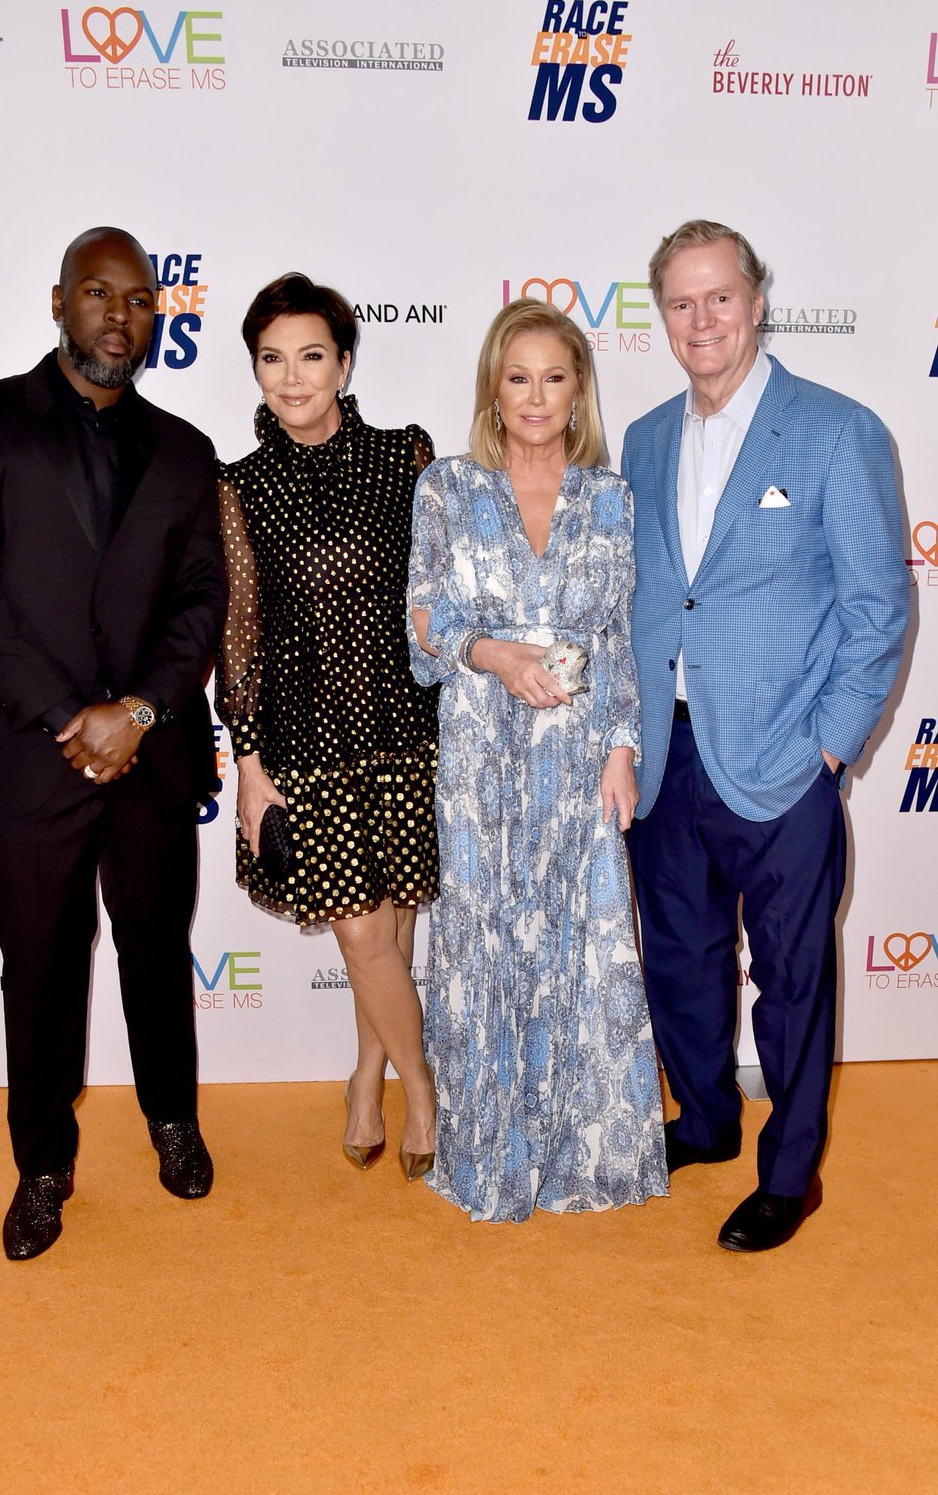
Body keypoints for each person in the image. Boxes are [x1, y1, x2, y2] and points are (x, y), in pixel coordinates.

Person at [0, 227, 227, 1260]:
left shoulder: (184, 451)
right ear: (59, 301)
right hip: (30, 751)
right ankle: (41, 1163)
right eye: (99, 293)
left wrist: (134, 711)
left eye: (139, 299)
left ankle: (171, 1118)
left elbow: (199, 604)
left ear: (156, 314)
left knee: (153, 949)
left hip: (150, 754)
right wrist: (68, 714)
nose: (119, 315)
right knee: (40, 965)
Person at [622, 219, 909, 1252]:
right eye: (681, 303)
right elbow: (657, 600)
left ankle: (790, 1173)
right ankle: (701, 1119)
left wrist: (830, 746)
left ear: (757, 301)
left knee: (791, 980)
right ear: (664, 318)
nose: (701, 321)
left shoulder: (836, 430)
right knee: (681, 962)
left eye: (720, 298)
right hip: (668, 754)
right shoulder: (646, 437)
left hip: (786, 757)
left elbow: (879, 608)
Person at [407, 298, 668, 1222]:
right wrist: (499, 655)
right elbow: (424, 625)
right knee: (485, 943)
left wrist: (624, 746)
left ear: (578, 390)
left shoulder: (611, 497)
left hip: (580, 747)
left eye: (554, 377)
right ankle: (490, 1154)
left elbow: (619, 635)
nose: (535, 395)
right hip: (480, 747)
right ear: (493, 385)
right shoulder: (446, 487)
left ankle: (582, 1156)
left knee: (584, 943)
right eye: (517, 376)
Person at [215, 272, 439, 1180]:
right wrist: (249, 759)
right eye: (273, 358)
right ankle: (420, 1086)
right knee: (361, 932)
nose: (293, 377)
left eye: (312, 356)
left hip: (405, 726)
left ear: (345, 364)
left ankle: (364, 1075)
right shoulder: (238, 484)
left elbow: (440, 595)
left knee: (391, 925)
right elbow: (240, 629)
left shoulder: (406, 457)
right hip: (304, 742)